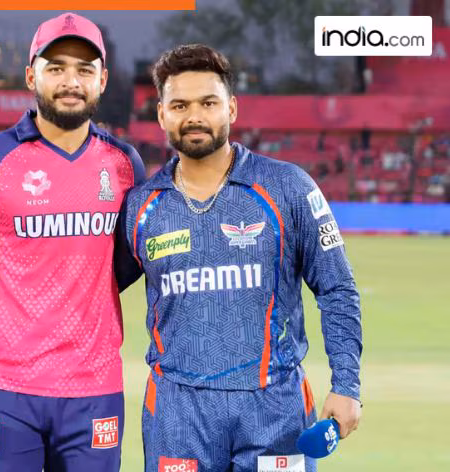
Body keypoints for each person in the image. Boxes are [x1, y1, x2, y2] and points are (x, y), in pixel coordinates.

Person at [120, 44, 362, 472]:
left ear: (231, 107)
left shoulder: (288, 187)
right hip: (179, 412)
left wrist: (347, 384)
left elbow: (337, 288)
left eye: (208, 103)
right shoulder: (141, 206)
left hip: (275, 408)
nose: (194, 116)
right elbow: (94, 287)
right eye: (179, 105)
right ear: (161, 114)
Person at [0, 12, 145, 472]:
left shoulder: (124, 166)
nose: (71, 82)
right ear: (31, 76)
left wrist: (72, 291)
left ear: (102, 80)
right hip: (3, 390)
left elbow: (125, 266)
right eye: (56, 68)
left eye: (84, 69)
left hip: (94, 390)